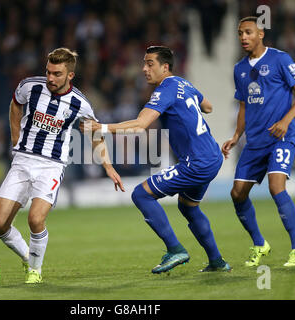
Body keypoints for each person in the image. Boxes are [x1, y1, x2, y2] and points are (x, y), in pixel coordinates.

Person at [81, 46, 231, 274]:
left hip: (197, 162)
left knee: (141, 194)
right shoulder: (183, 83)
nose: (144, 68)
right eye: (144, 63)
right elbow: (208, 107)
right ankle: (217, 262)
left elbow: (140, 125)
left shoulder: (166, 89)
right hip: (211, 156)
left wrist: (100, 127)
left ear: (165, 67)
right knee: (189, 207)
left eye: (150, 63)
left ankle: (175, 249)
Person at [0, 47, 124, 284]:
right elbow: (15, 104)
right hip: (22, 160)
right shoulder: (30, 86)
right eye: (48, 72)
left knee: (35, 219)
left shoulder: (80, 103)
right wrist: (15, 138)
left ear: (70, 75)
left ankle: (34, 270)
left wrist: (108, 167)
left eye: (57, 74)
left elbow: (95, 134)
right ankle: (27, 256)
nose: (50, 78)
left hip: (51, 165)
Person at [222, 17, 295, 267]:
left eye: (248, 32)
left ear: (261, 34)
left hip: (281, 137)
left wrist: (286, 120)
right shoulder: (239, 68)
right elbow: (243, 105)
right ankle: (260, 243)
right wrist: (237, 136)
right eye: (240, 33)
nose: (243, 37)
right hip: (255, 141)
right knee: (237, 193)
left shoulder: (280, 59)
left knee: (275, 186)